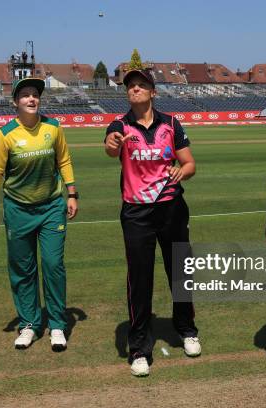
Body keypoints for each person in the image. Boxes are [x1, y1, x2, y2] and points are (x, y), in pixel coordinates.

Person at [104, 69, 200, 377]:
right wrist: (113, 142)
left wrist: (180, 172)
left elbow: (189, 163)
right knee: (140, 280)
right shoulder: (119, 125)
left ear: (152, 91)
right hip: (136, 213)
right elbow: (109, 149)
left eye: (141, 85)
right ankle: (139, 349)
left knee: (180, 272)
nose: (134, 89)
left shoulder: (171, 123)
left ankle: (187, 330)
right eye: (130, 86)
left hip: (171, 208)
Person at [0, 77, 78, 352]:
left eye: (35, 94)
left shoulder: (54, 128)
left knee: (52, 265)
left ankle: (57, 324)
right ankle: (29, 324)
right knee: (23, 270)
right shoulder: (4, 135)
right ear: (15, 102)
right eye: (25, 95)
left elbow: (64, 160)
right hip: (18, 210)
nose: (31, 99)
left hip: (51, 207)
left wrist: (72, 193)